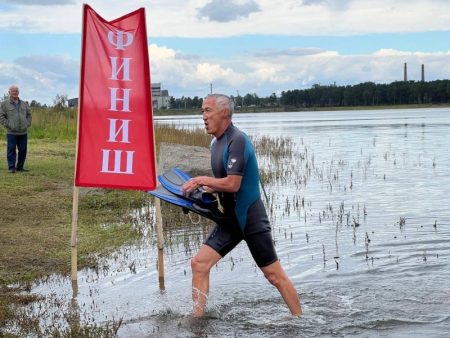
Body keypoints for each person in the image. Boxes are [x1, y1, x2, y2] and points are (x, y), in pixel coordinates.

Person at [182, 94, 302, 317]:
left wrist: (200, 180)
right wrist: (202, 191)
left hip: (250, 218)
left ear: (224, 113)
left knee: (274, 275)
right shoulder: (215, 143)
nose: (203, 117)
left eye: (208, 111)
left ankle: (301, 320)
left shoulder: (238, 140)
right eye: (202, 112)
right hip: (230, 220)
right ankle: (197, 320)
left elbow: (233, 183)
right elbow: (223, 184)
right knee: (199, 264)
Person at [0, 85, 32, 173]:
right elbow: (1, 116)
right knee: (11, 150)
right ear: (9, 92)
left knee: (23, 150)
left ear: (18, 92)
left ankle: (20, 167)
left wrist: (27, 124)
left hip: (23, 132)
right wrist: (8, 125)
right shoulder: (4, 104)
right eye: (13, 91)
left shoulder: (24, 103)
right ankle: (11, 168)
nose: (15, 92)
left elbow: (29, 115)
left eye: (16, 91)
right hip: (11, 132)